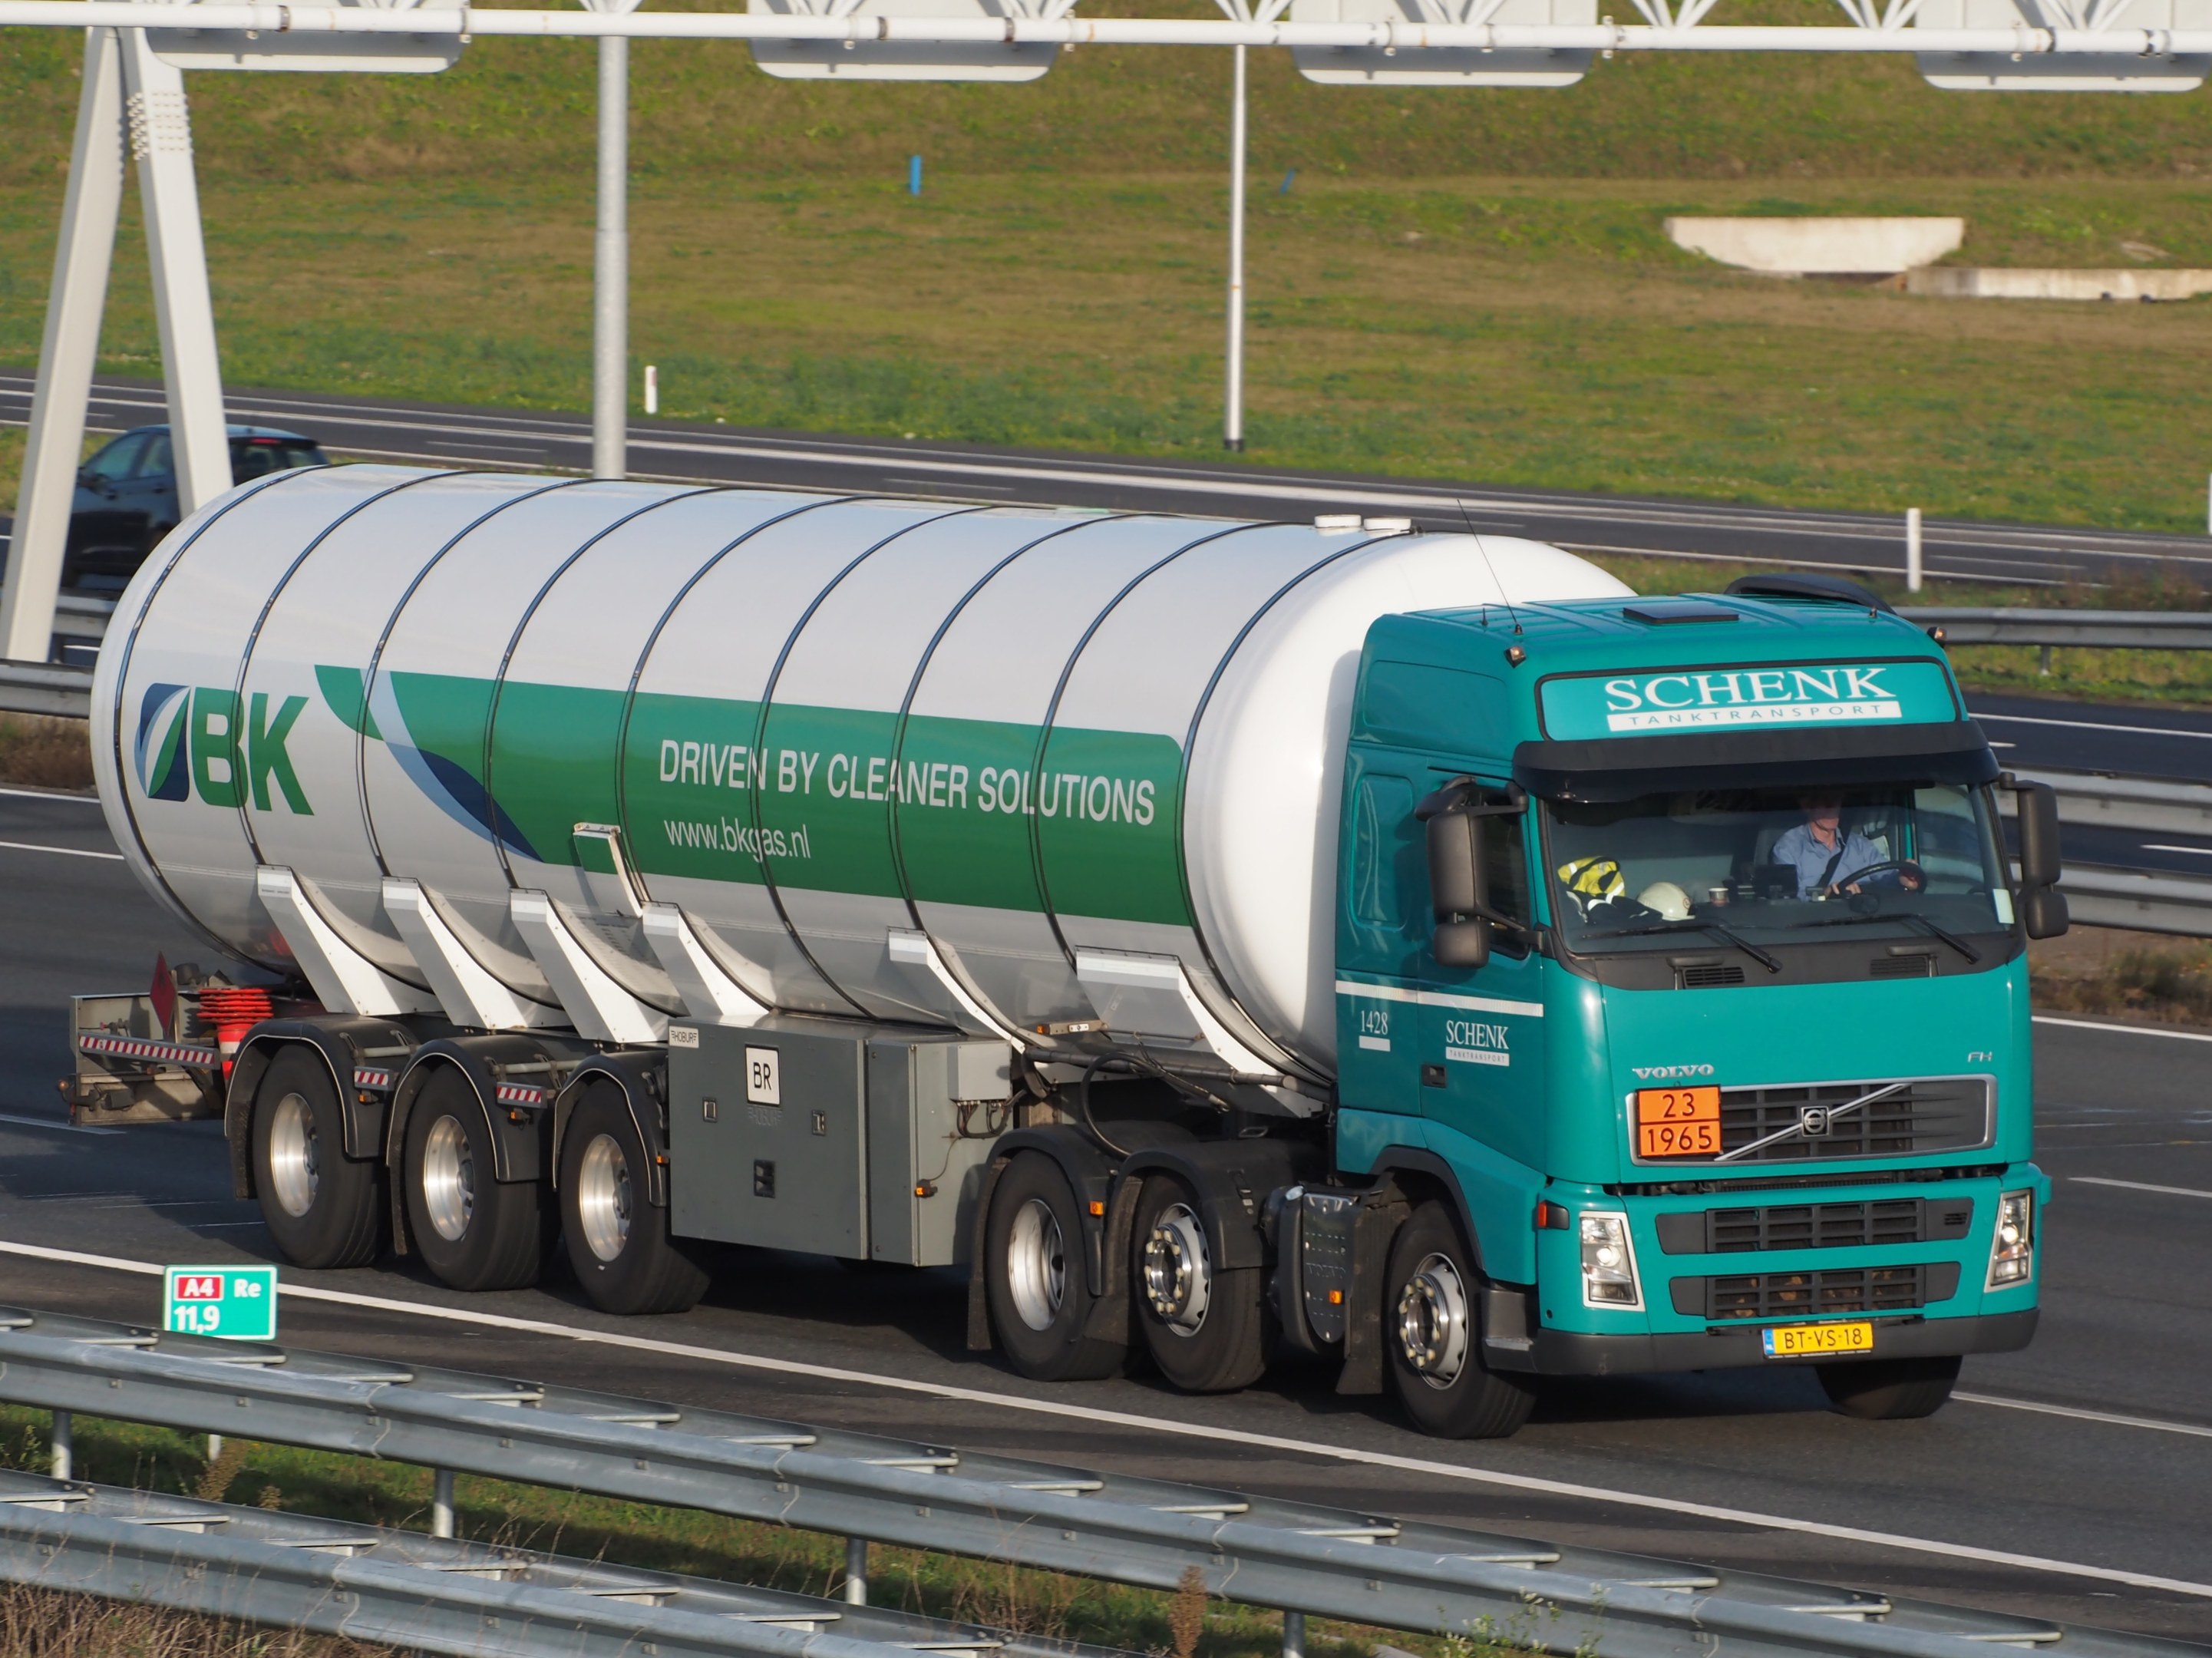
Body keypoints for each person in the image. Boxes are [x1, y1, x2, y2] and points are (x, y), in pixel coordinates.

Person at [1771, 794, 1922, 898]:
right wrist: (1826, 893)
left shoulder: (1860, 846)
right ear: (1807, 806)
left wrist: (1903, 877)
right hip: (1812, 927)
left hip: (1862, 923)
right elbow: (1787, 899)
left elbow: (1885, 876)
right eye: (1826, 802)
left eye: (1836, 801)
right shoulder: (1788, 847)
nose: (1833, 808)